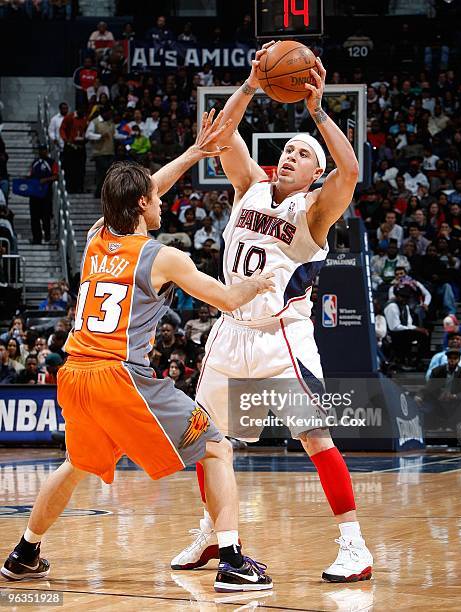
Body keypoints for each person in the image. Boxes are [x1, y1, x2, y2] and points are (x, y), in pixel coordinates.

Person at [1, 110, 274, 592]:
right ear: (144, 203)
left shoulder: (93, 239)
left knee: (76, 464)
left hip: (75, 373)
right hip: (119, 375)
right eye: (155, 199)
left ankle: (24, 552)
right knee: (216, 446)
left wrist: (193, 153)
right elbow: (229, 300)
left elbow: (141, 191)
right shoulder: (164, 257)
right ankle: (231, 560)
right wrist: (261, 282)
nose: (162, 204)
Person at [171, 46, 373, 583]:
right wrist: (253, 84)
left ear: (315, 172)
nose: (290, 155)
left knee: (316, 439)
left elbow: (350, 171)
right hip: (231, 330)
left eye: (302, 153)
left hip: (284, 338)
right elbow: (220, 134)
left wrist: (317, 114)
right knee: (206, 437)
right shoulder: (248, 187)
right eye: (286, 149)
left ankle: (354, 545)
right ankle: (214, 533)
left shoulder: (314, 211)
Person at [29, 145, 58, 244]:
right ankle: (37, 238)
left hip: (46, 194)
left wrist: (45, 180)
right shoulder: (35, 162)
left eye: (44, 150)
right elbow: (31, 175)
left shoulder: (51, 162)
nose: (42, 152)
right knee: (34, 217)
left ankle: (47, 237)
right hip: (34, 194)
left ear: (47, 151)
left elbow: (56, 176)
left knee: (46, 216)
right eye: (41, 150)